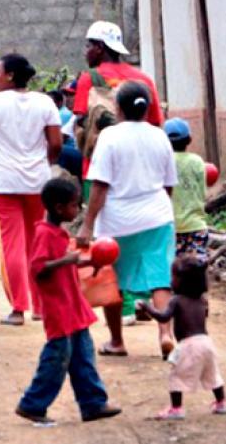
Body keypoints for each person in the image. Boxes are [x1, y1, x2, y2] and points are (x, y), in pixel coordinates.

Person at [77, 81, 178, 358]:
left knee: (112, 281)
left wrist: (87, 224)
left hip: (117, 220)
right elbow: (168, 185)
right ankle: (166, 333)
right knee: (160, 277)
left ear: (118, 108)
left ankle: (117, 341)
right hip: (156, 216)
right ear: (146, 109)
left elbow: (100, 186)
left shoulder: (109, 137)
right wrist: (161, 209)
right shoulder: (160, 136)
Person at [16, 178, 122, 426]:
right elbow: (38, 268)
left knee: (84, 357)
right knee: (56, 359)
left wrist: (90, 261)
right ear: (59, 207)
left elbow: (66, 262)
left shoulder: (59, 233)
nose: (78, 210)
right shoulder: (44, 234)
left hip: (73, 307)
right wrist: (67, 260)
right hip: (59, 309)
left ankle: (93, 403)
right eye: (75, 205)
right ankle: (32, 404)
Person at [0, 54, 62, 326]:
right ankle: (40, 306)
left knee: (11, 244)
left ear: (10, 75)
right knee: (37, 242)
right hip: (37, 181)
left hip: (3, 181)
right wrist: (44, 163)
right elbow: (56, 143)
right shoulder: (45, 101)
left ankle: (18, 307)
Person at [136, 255, 226, 420]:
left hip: (189, 344)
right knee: (212, 374)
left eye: (173, 277)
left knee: (177, 376)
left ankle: (176, 408)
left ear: (181, 281)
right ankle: (222, 402)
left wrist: (147, 308)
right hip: (206, 342)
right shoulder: (202, 300)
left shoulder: (177, 301)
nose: (171, 281)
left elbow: (164, 317)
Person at [165, 118, 211, 259]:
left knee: (174, 271)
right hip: (196, 226)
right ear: (189, 139)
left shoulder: (164, 160)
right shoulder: (197, 162)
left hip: (170, 227)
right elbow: (203, 194)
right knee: (196, 270)